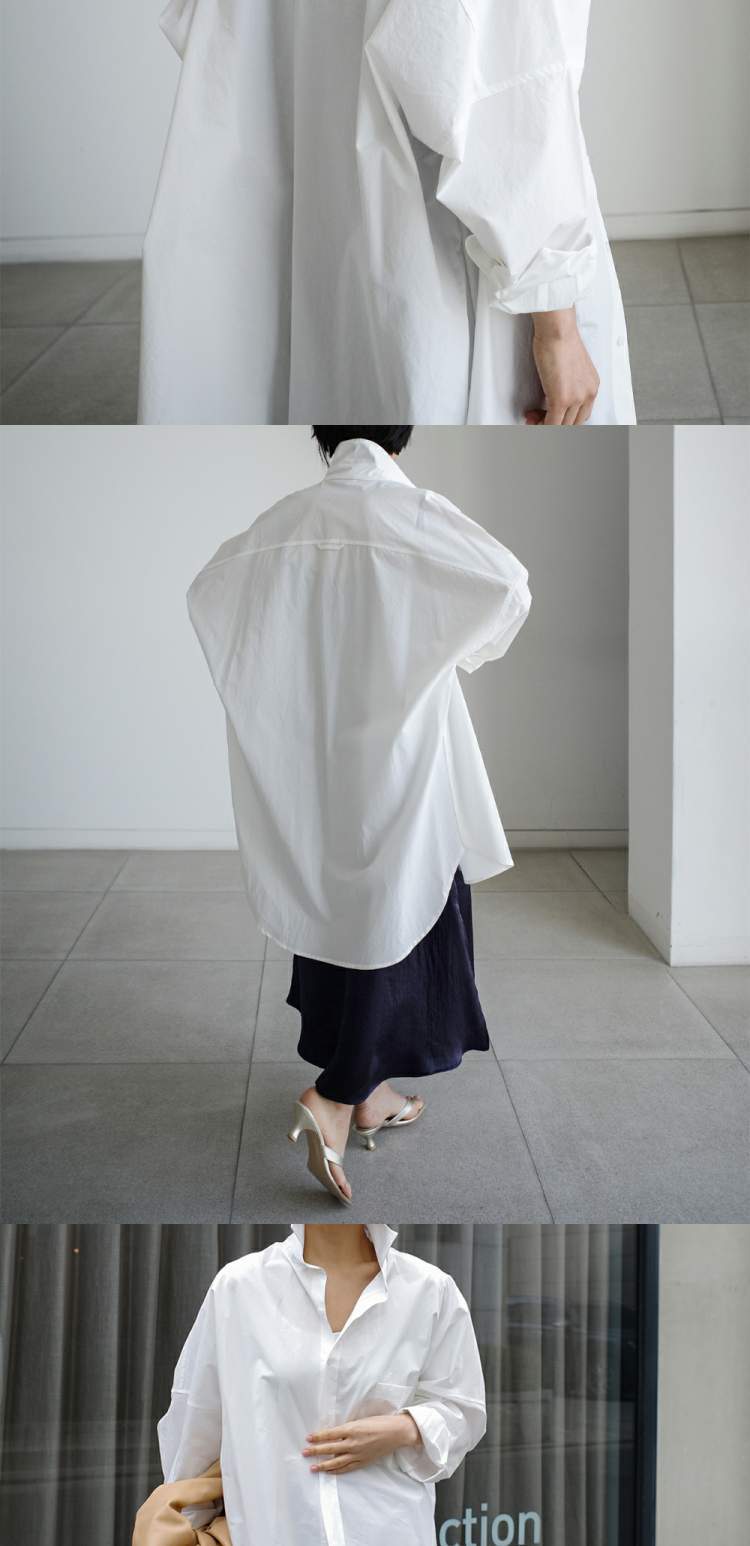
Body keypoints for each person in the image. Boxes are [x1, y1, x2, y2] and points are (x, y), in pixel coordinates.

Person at [188, 426, 531, 1204]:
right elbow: (509, 585)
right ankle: (336, 1096)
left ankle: (369, 1094)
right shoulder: (414, 513)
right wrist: (454, 652)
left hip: (314, 757)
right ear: (401, 431)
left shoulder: (287, 520)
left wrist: (269, 685)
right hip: (403, 758)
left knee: (341, 909)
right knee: (403, 914)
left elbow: (209, 591)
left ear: (321, 432)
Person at [140, 0, 635, 426]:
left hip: (301, 202)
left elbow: (212, 33)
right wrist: (557, 326)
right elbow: (499, 85)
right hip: (436, 234)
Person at [157, 1223, 486, 1546]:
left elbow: (463, 1410)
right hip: (275, 1532)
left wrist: (404, 1428)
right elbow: (195, 1432)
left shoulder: (428, 1290)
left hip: (389, 1529)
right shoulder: (240, 1287)